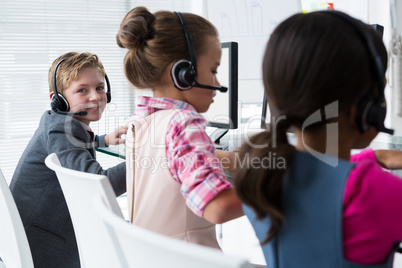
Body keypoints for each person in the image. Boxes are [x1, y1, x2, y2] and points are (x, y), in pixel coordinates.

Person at [233, 10, 402, 267]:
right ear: (367, 109)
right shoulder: (374, 192)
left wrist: (374, 156)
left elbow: (321, 175)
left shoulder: (260, 172)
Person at [116, 6, 243, 249]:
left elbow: (174, 159)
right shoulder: (183, 121)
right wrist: (281, 189)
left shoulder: (140, 120)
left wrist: (243, 160)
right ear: (183, 72)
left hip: (150, 258)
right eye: (213, 70)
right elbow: (216, 206)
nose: (218, 82)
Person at [10, 52, 127, 268]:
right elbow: (98, 185)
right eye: (82, 90)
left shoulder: (57, 121)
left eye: (100, 88)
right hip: (44, 243)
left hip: (34, 230)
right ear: (59, 99)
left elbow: (69, 150)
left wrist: (103, 140)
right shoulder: (62, 128)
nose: (95, 97)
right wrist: (145, 164)